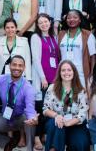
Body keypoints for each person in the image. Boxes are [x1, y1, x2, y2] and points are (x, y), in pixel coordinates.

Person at [0, 55, 39, 151]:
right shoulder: (0, 80)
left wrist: (32, 118)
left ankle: (30, 149)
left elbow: (30, 107)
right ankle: (8, 143)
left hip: (21, 118)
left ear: (24, 68)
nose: (17, 68)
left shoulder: (28, 87)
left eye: (20, 65)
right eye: (14, 65)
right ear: (9, 66)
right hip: (5, 116)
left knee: (31, 123)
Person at [42, 60, 90, 151]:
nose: (66, 73)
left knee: (80, 143)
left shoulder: (81, 91)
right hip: (56, 122)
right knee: (56, 125)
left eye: (69, 70)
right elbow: (45, 109)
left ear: (74, 72)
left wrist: (68, 123)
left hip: (75, 124)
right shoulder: (52, 88)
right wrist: (57, 116)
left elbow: (82, 114)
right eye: (63, 70)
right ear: (59, 73)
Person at [31, 13, 60, 150]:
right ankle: (36, 137)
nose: (43, 24)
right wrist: (42, 77)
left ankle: (44, 135)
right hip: (42, 80)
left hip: (54, 79)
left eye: (46, 21)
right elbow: (36, 59)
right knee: (41, 108)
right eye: (40, 22)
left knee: (51, 108)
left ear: (50, 22)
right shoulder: (36, 37)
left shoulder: (54, 37)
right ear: (37, 25)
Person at [58, 10, 95, 86]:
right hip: (64, 73)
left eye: (75, 17)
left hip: (81, 74)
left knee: (80, 96)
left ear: (80, 20)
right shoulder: (61, 34)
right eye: (69, 18)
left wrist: (92, 74)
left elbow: (93, 56)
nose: (72, 19)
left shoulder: (87, 35)